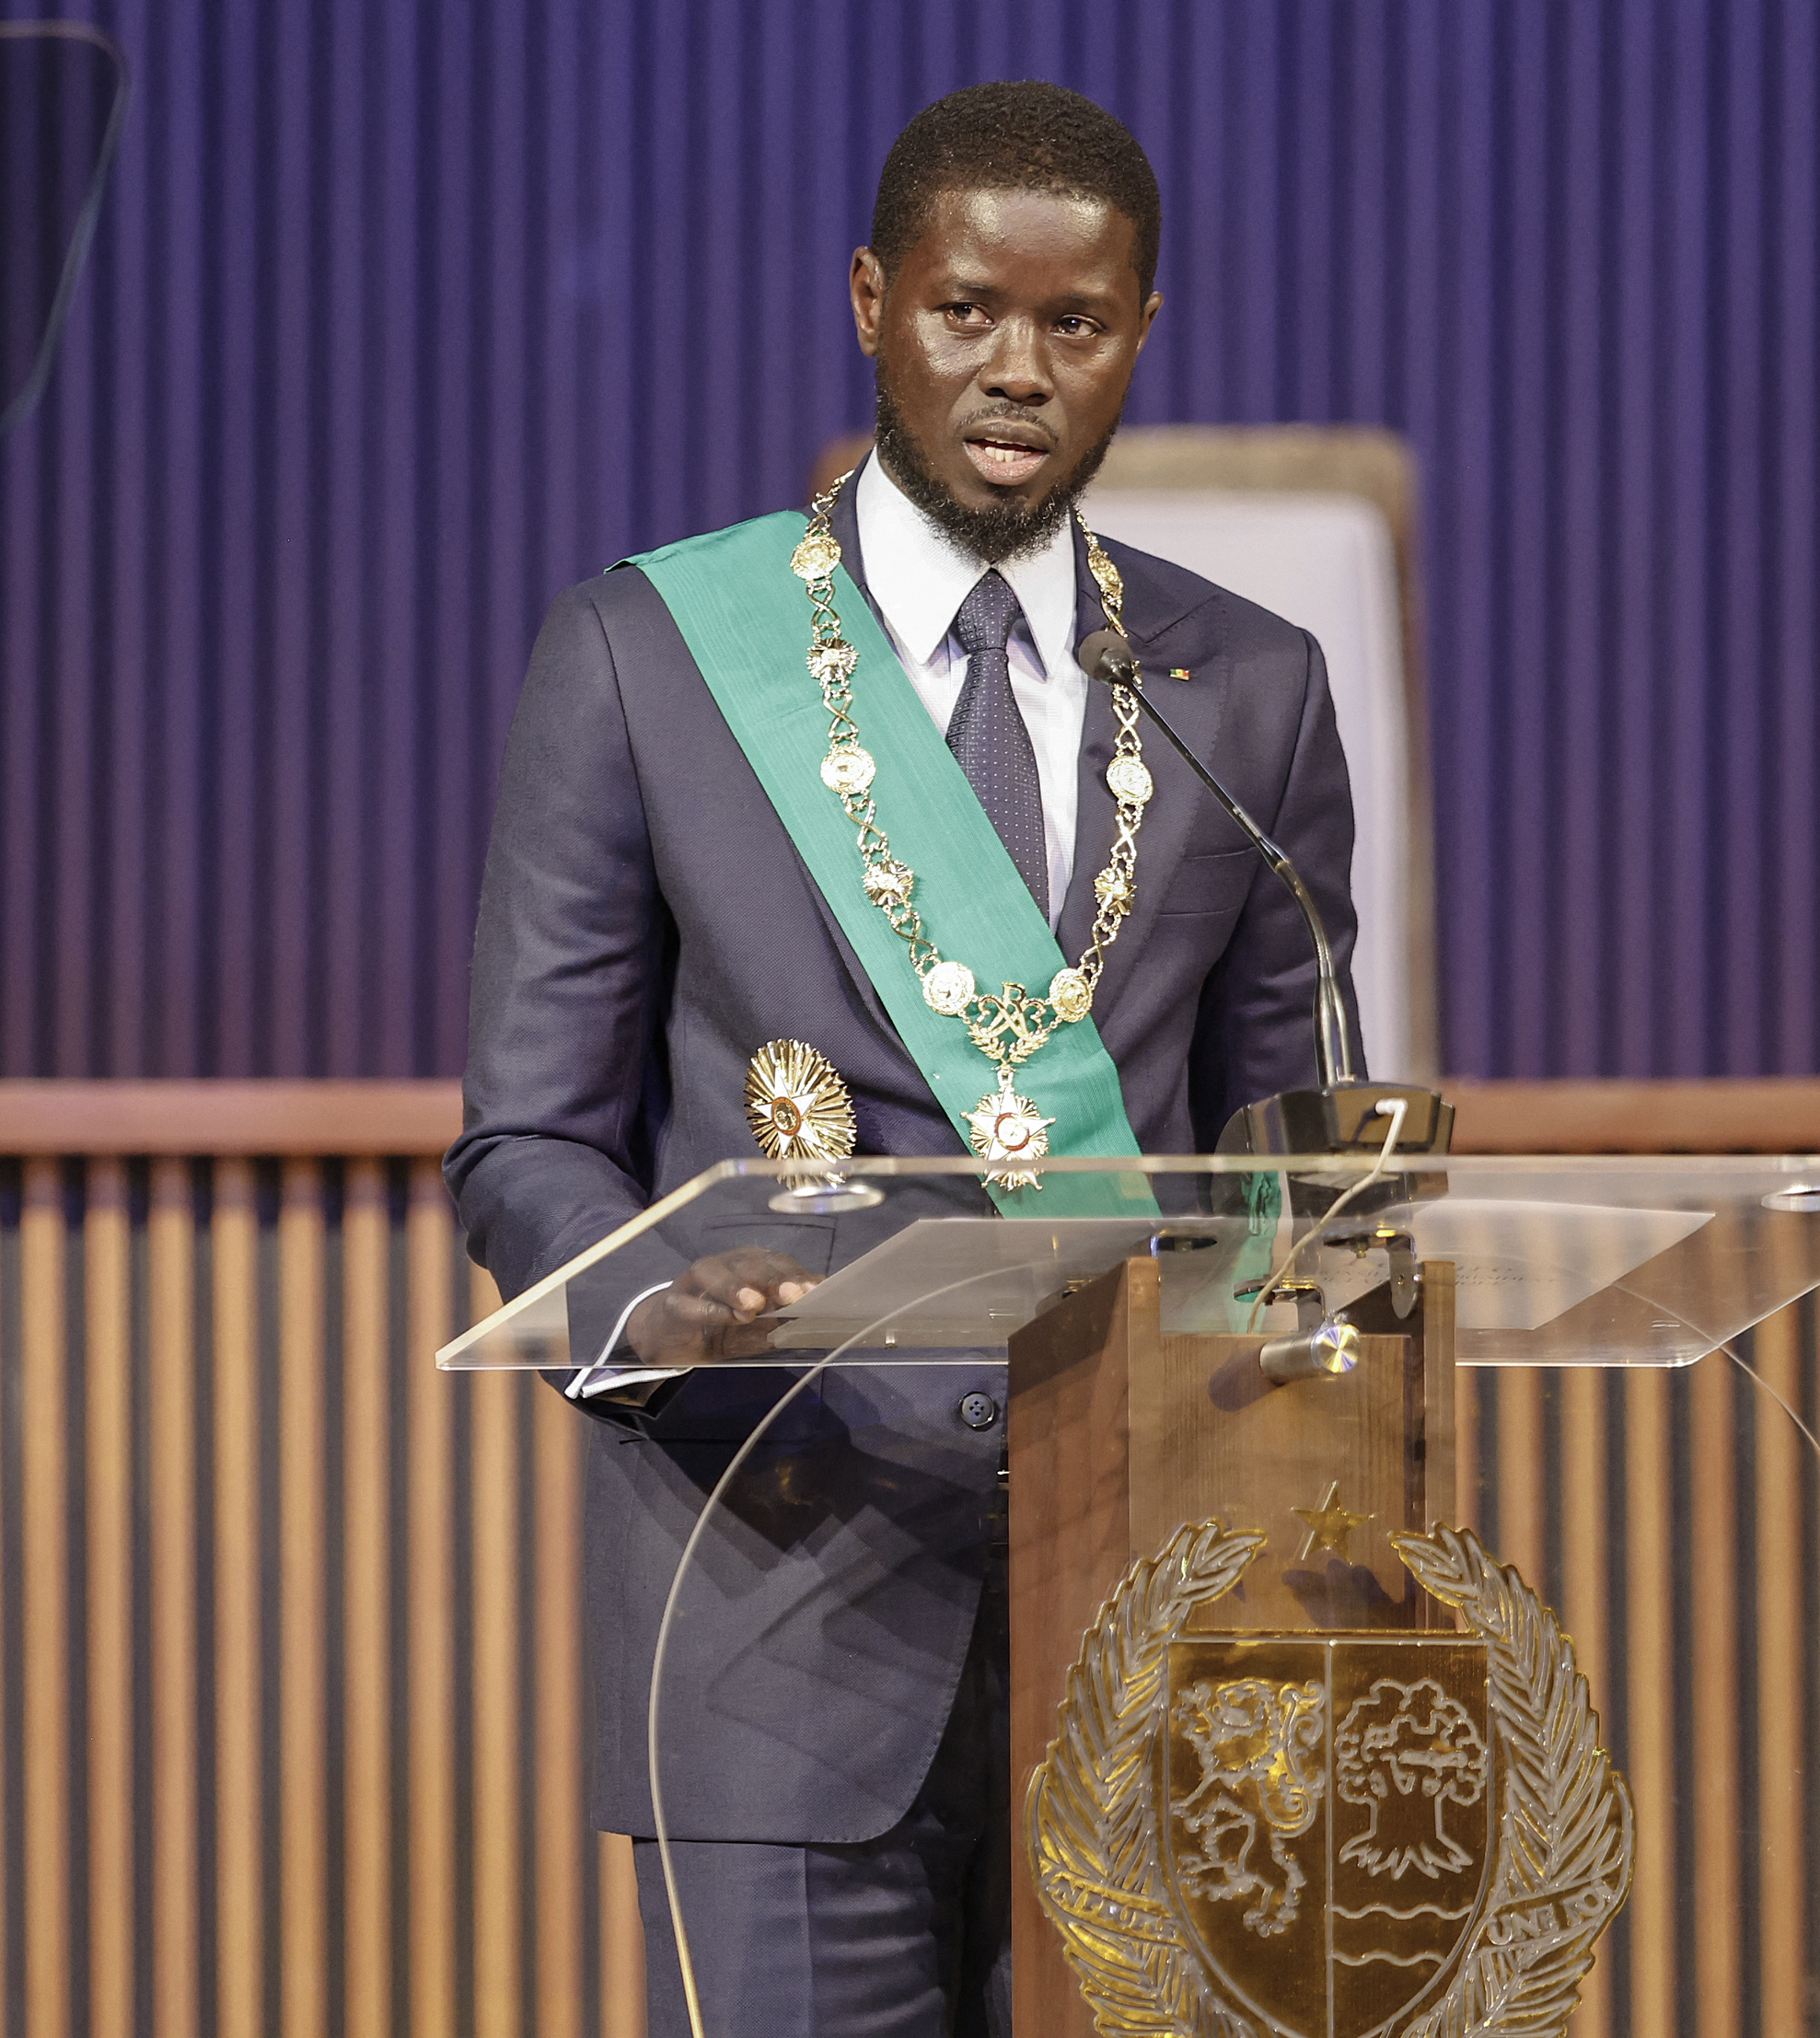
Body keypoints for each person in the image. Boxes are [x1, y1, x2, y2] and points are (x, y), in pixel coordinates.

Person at [443, 79, 1360, 2038]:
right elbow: (524, 1135)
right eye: (964, 311)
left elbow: (1285, 1162)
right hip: (771, 1595)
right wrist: (645, 1302)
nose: (1015, 369)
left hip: (1148, 1625)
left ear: (1139, 335)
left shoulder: (1247, 693)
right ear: (872, 302)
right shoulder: (649, 655)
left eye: (1074, 324)